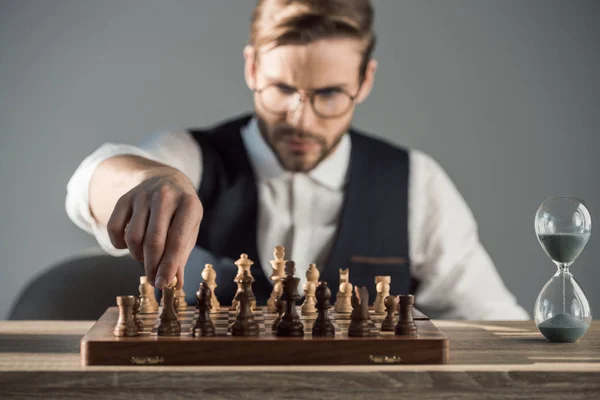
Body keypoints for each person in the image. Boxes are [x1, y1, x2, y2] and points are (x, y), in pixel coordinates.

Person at [66, 0, 528, 320]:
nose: (300, 118)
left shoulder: (415, 183)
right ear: (252, 69)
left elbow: (493, 322)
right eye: (282, 89)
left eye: (329, 94)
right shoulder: (194, 156)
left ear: (364, 80)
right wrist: (145, 179)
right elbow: (92, 179)